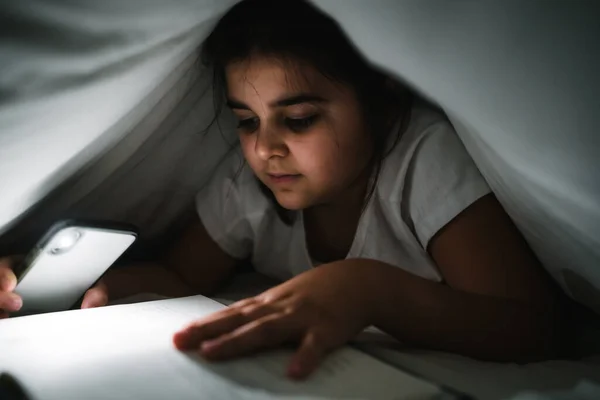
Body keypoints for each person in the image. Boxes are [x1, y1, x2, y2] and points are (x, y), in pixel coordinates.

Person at [0, 0, 565, 380]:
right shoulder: (250, 187)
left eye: (297, 119)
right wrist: (77, 288)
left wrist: (369, 289)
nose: (265, 148)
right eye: (247, 122)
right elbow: (179, 278)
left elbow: (535, 326)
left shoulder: (421, 159)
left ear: (379, 98)